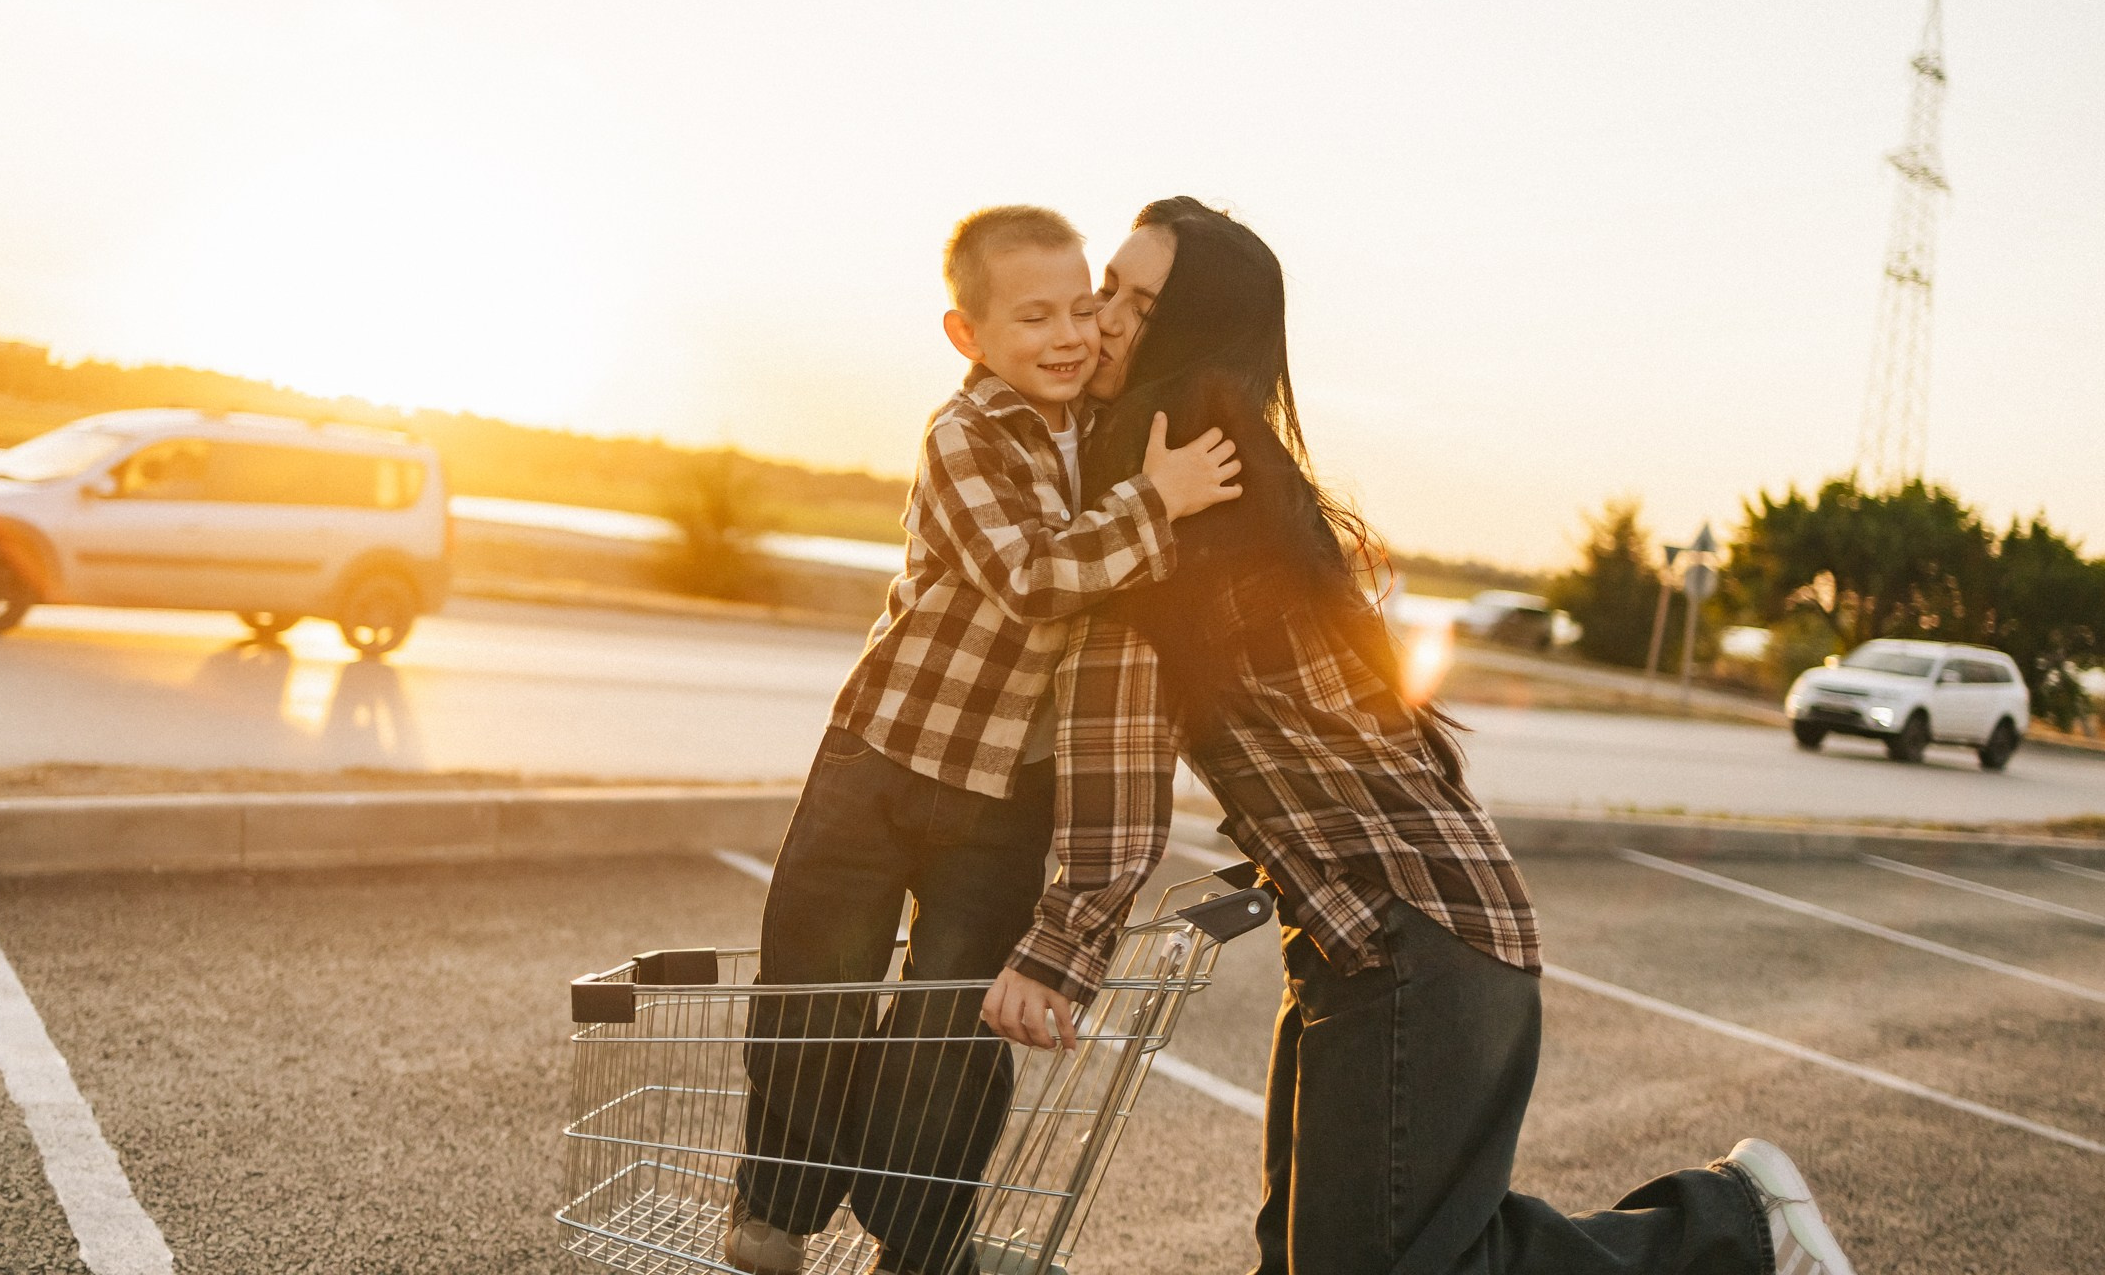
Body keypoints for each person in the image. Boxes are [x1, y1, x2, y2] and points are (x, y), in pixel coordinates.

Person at [982, 197, 1855, 1275]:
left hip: (1416, 939)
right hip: (1381, 934)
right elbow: (1337, 740)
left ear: (1192, 333)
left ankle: (1730, 1230)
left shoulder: (1173, 516)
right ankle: (1732, 1227)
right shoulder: (1238, 492)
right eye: (1106, 287)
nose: (1101, 316)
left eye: (1136, 301)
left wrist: (1061, 948)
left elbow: (1119, 771)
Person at [726, 204, 1244, 1275]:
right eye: (1033, 318)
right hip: (883, 761)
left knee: (953, 1035)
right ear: (968, 336)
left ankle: (923, 1245)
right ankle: (774, 1210)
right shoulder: (963, 435)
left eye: (1083, 307)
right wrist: (1162, 500)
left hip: (1008, 793)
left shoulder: (1098, 432)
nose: (1070, 333)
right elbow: (1034, 576)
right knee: (815, 980)